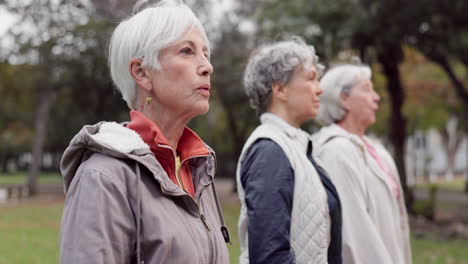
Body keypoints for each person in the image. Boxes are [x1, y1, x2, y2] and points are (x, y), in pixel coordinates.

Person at [58, 1, 230, 263]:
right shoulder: (102, 178)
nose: (207, 66)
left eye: (205, 53)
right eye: (187, 51)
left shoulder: (198, 168)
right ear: (141, 72)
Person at [237, 38, 342, 264]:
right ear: (280, 89)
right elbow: (269, 256)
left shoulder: (297, 147)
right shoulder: (269, 151)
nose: (320, 89)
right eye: (311, 78)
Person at [313, 64, 411, 264]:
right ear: (344, 98)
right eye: (367, 89)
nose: (376, 97)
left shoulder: (377, 150)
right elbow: (353, 234)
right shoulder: (336, 152)